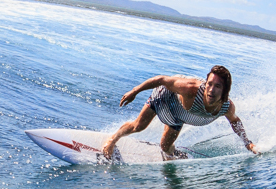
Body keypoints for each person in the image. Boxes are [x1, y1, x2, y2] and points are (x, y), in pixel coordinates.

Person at [101, 65, 258, 160]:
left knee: (165, 147)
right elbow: (162, 79)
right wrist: (134, 91)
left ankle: (172, 153)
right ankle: (112, 140)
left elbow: (235, 121)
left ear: (225, 89)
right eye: (209, 84)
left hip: (180, 114)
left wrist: (247, 142)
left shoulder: (226, 107)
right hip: (165, 96)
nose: (211, 90)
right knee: (139, 126)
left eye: (217, 86)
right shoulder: (189, 89)